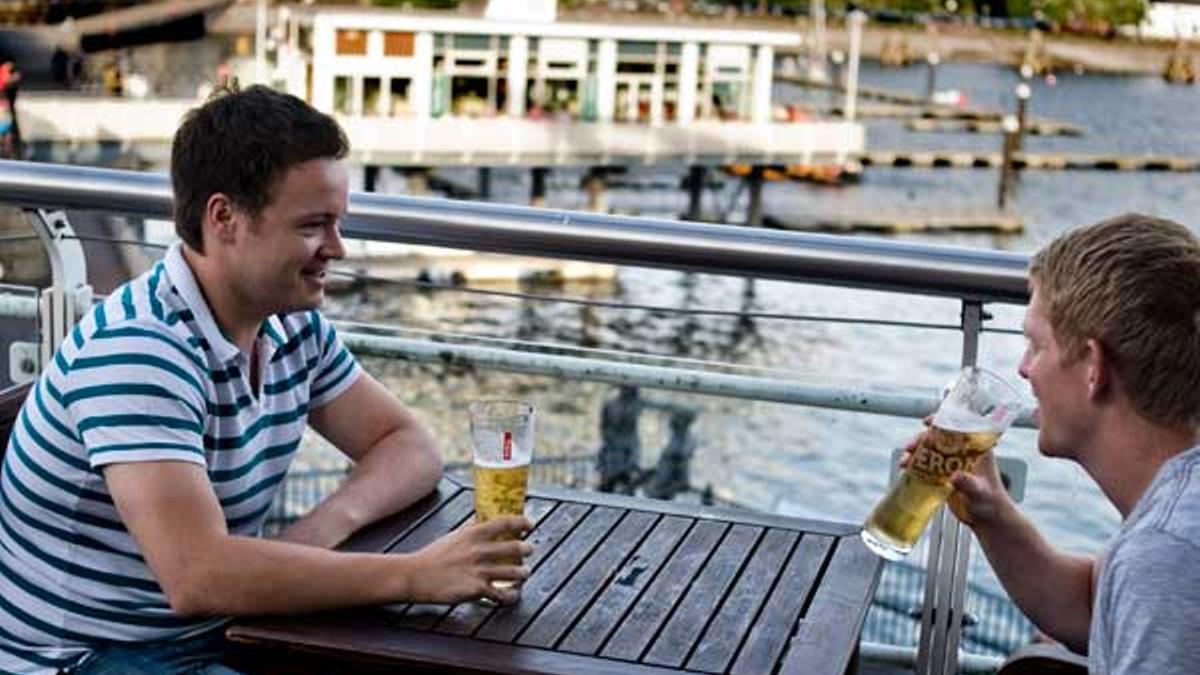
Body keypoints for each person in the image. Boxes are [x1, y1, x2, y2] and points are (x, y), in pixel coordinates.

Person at [0, 85, 532, 675]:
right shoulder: (141, 349)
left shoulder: (289, 323)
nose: (337, 247)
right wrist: (417, 574)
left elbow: (408, 448)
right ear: (224, 218)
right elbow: (199, 576)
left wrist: (321, 528)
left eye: (337, 223)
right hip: (85, 657)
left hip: (218, 631)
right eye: (314, 225)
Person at [915, 214, 1200, 673]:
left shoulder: (1170, 554)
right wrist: (991, 514)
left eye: (1036, 345)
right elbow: (1094, 610)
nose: (1025, 369)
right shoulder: (1172, 515)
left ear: (1092, 365)